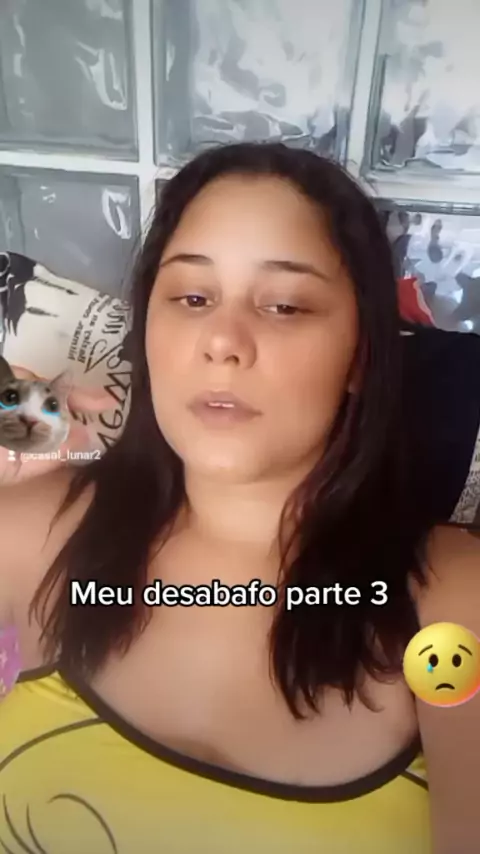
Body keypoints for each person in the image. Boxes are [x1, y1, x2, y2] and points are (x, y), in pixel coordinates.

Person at [0, 142, 478, 854]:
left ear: (360, 356)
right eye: (192, 298)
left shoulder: (450, 600)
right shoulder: (38, 532)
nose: (222, 340)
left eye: (284, 305)